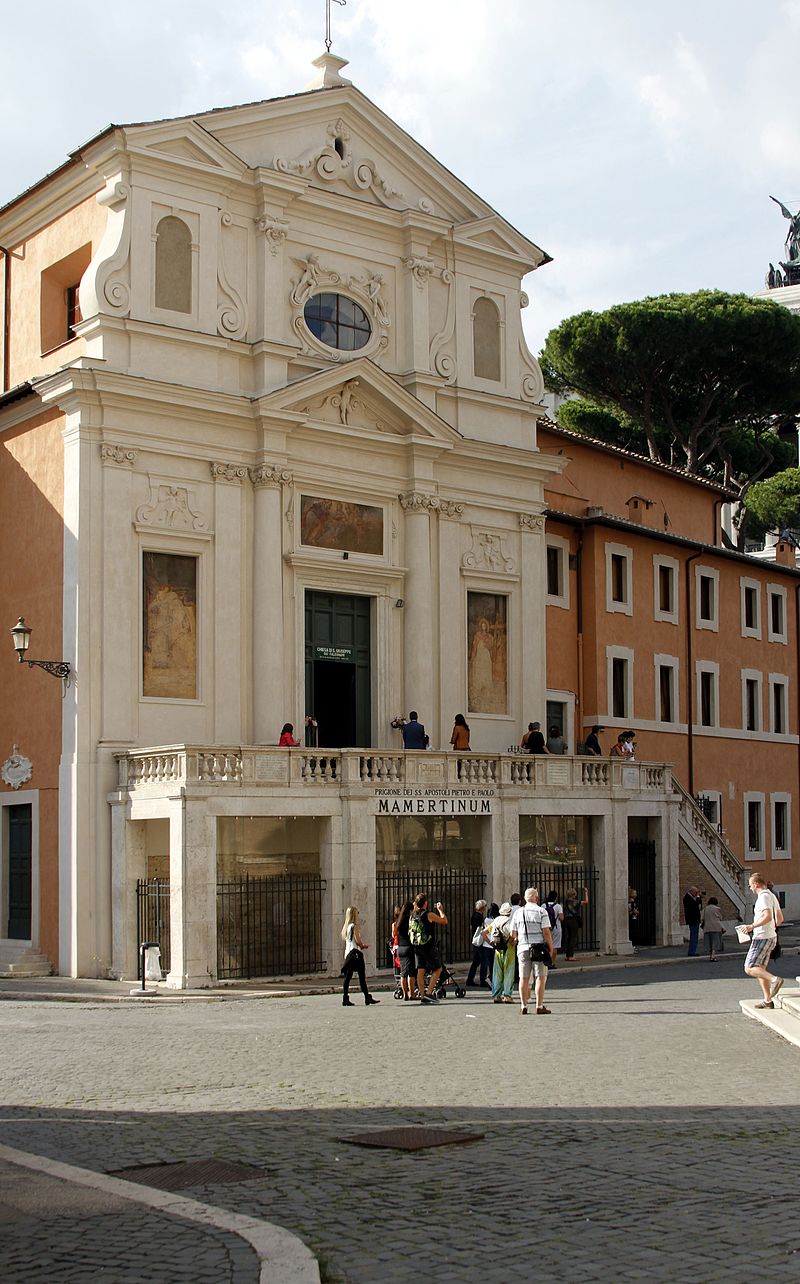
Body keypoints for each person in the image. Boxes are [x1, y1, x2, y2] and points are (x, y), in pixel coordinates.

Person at [742, 871, 785, 1008]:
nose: (750, 888)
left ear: (756, 884)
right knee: (760, 969)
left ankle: (775, 980)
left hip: (762, 937)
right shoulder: (772, 896)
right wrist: (770, 926)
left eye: (750, 886)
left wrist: (751, 926)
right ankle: (768, 1000)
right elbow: (779, 920)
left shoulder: (763, 897)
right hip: (771, 936)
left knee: (749, 968)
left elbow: (767, 916)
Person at [510, 887, 553, 1015]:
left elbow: (513, 933)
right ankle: (539, 1005)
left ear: (524, 898)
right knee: (540, 976)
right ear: (537, 898)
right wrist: (550, 947)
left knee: (523, 978)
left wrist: (518, 939)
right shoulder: (541, 911)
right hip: (538, 947)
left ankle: (523, 1005)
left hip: (523, 947)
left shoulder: (518, 913)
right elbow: (546, 932)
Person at [409, 892, 448, 1004]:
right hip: (428, 946)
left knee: (420, 971)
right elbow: (444, 921)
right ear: (425, 903)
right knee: (438, 968)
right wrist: (441, 910)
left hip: (417, 946)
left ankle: (422, 996)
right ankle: (429, 992)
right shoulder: (428, 914)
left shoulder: (413, 915)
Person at [340, 907, 380, 1007]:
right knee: (361, 976)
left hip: (348, 953)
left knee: (347, 977)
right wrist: (363, 946)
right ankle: (367, 997)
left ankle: (345, 998)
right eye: (357, 912)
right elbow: (358, 940)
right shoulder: (354, 926)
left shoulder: (347, 927)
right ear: (354, 914)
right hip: (355, 953)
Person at [486, 901, 516, 1003]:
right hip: (509, 949)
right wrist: (514, 942)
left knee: (497, 972)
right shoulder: (509, 921)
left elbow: (483, 933)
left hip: (497, 949)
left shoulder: (496, 920)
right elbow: (512, 934)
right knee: (508, 972)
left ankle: (496, 995)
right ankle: (507, 995)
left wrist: (491, 943)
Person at [393, 899, 418, 1000]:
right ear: (409, 910)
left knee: (403, 973)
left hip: (400, 948)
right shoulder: (410, 920)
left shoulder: (399, 921)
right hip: (408, 947)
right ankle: (412, 994)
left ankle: (405, 994)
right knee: (411, 973)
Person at [466, 899, 491, 988]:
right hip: (480, 941)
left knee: (476, 962)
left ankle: (469, 979)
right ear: (482, 908)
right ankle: (482, 980)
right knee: (484, 961)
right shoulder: (479, 917)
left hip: (475, 940)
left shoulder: (474, 915)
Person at [563, 886, 588, 961]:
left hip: (567, 920)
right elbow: (586, 901)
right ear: (574, 894)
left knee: (569, 937)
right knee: (573, 938)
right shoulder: (576, 902)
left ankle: (567, 955)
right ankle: (571, 956)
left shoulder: (566, 901)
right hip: (574, 920)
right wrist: (586, 892)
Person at [702, 896, 724, 962]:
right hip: (715, 927)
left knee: (709, 942)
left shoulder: (705, 908)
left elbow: (702, 918)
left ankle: (710, 955)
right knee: (715, 942)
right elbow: (720, 917)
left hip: (707, 927)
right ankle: (713, 956)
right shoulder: (717, 909)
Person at [544, 890, 564, 965]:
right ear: (555, 898)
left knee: (546, 945)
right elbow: (561, 918)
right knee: (555, 946)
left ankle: (546, 961)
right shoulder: (558, 906)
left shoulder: (543, 906)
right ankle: (552, 962)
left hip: (546, 927)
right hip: (556, 928)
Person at [683, 885, 703, 957]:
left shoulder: (692, 898)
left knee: (695, 935)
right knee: (694, 936)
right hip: (692, 919)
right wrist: (698, 897)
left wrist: (699, 898)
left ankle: (693, 950)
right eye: (695, 892)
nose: (696, 893)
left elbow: (699, 907)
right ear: (691, 891)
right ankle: (692, 951)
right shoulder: (687, 898)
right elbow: (694, 906)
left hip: (694, 919)